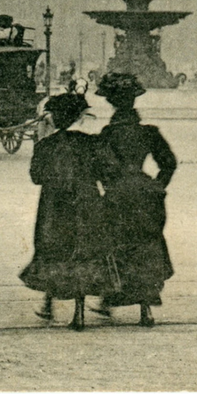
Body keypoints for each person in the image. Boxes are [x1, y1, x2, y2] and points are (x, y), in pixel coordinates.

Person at [20, 91, 120, 331]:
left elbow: (36, 177)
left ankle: (48, 304)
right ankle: (79, 313)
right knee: (83, 252)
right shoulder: (92, 143)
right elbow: (108, 172)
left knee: (55, 250)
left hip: (54, 206)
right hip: (86, 203)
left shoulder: (46, 145)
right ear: (78, 117)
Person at [93, 72, 175, 327]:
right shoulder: (149, 132)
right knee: (147, 246)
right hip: (147, 193)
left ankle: (110, 296)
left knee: (116, 244)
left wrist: (110, 186)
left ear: (112, 103)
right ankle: (146, 307)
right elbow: (169, 163)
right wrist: (156, 186)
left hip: (119, 194)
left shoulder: (107, 134)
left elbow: (99, 167)